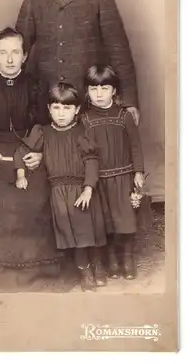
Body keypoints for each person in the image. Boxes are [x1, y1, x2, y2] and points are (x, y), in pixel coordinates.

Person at [0, 28, 63, 290]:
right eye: (3, 53)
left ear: (25, 56)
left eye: (15, 53)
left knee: (35, 192)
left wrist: (40, 152)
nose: (9, 59)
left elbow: (45, 125)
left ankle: (38, 268)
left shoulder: (36, 85)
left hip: (29, 148)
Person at [16, 0, 140, 126]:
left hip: (92, 105)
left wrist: (129, 101)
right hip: (48, 107)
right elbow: (18, 54)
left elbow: (119, 52)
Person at [14, 82, 107, 292]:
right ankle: (85, 271)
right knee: (72, 233)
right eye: (56, 108)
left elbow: (92, 161)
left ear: (77, 110)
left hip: (81, 189)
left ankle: (98, 265)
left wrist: (88, 188)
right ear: (48, 109)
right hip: (58, 192)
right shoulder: (43, 132)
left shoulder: (82, 132)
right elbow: (21, 153)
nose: (61, 114)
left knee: (89, 231)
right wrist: (21, 174)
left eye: (67, 108)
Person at [81, 64, 145, 280]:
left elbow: (135, 145)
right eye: (93, 89)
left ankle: (127, 258)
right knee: (105, 223)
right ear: (87, 92)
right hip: (100, 180)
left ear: (114, 91)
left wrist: (138, 171)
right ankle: (110, 261)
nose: (99, 94)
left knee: (125, 221)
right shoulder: (85, 119)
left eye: (105, 89)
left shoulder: (124, 115)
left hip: (123, 177)